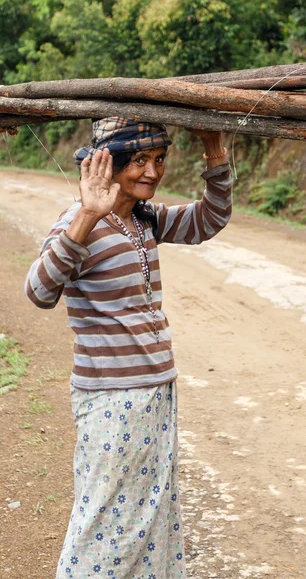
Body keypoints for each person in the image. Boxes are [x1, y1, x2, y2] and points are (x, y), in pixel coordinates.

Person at [25, 117, 232, 579]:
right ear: (106, 164)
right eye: (139, 160)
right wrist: (86, 215)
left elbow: (208, 220)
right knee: (105, 521)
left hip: (156, 393)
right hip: (111, 399)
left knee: (149, 519)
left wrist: (215, 153)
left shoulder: (144, 220)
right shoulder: (83, 223)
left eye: (158, 159)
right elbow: (38, 290)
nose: (153, 172)